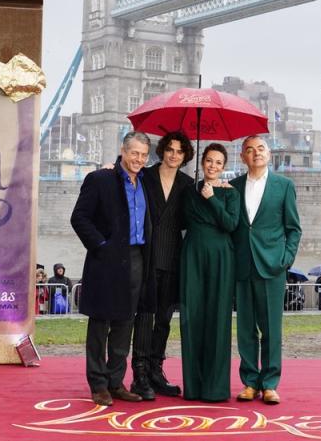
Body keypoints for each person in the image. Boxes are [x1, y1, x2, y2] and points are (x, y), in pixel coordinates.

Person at [70, 131, 155, 407]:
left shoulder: (146, 183)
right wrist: (101, 246)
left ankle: (116, 382)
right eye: (134, 153)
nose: (139, 159)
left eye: (143, 155)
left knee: (125, 324)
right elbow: (79, 217)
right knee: (100, 324)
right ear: (123, 151)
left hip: (136, 259)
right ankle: (98, 385)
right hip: (106, 259)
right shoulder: (100, 179)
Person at [230, 135, 302, 405]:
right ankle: (250, 382)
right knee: (246, 328)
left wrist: (285, 260)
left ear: (269, 154)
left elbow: (293, 228)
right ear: (243, 157)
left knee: (271, 330)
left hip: (272, 267)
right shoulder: (233, 187)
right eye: (249, 150)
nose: (256, 153)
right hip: (243, 265)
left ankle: (270, 383)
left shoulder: (283, 186)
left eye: (260, 149)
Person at [130, 131, 194, 400]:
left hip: (173, 258)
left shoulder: (188, 184)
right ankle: (140, 375)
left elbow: (192, 220)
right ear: (163, 151)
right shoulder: (144, 176)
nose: (174, 155)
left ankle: (157, 371)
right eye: (170, 149)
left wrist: (218, 191)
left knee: (164, 319)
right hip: (146, 254)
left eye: (180, 151)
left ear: (185, 155)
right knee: (145, 316)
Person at [179, 143, 239, 402]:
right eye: (209, 161)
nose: (213, 166)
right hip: (192, 254)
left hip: (221, 257)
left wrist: (212, 199)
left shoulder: (230, 193)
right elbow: (183, 220)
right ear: (202, 162)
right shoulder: (189, 191)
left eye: (218, 163)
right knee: (192, 317)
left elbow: (230, 224)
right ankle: (194, 386)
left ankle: (215, 388)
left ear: (224, 167)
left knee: (218, 317)